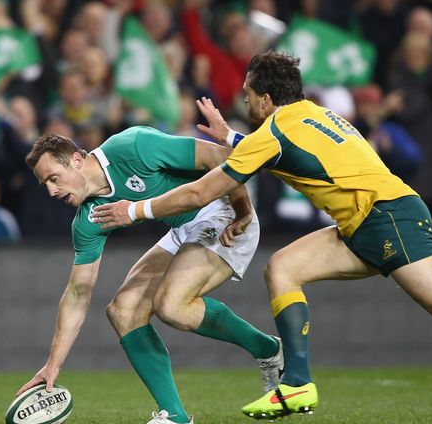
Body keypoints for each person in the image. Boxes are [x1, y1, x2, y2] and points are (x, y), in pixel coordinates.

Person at [93, 51, 432, 420]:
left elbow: (200, 192)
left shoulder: (272, 131)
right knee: (283, 268)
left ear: (266, 98)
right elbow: (285, 151)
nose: (245, 102)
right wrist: (228, 135)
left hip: (387, 218)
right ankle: (296, 384)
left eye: (248, 96)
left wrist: (135, 209)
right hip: (365, 221)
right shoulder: (314, 114)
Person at [16, 127, 283, 424]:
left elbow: (221, 156)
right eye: (45, 185)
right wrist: (53, 365)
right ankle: (175, 415)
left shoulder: (133, 146)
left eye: (54, 178)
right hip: (184, 228)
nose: (51, 191)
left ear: (77, 160)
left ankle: (267, 350)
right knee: (123, 310)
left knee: (172, 306)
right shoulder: (87, 220)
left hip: (225, 214)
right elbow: (78, 292)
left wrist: (244, 210)